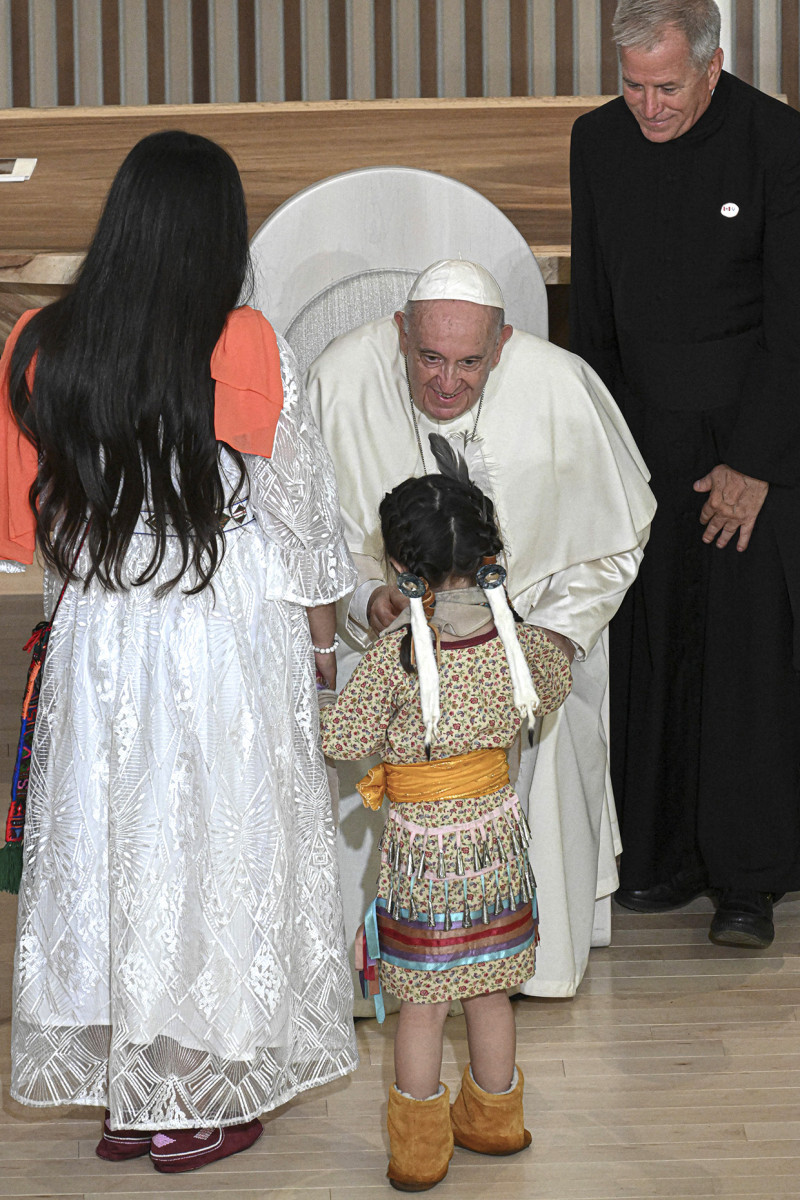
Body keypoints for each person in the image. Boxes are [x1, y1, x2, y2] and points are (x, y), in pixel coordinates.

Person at [0, 131, 357, 1172]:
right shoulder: (245, 342)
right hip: (225, 631)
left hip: (106, 629)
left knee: (117, 848)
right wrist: (324, 654)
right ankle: (191, 1097)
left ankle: (127, 1095)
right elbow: (302, 526)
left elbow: (30, 527)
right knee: (215, 855)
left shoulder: (37, 344)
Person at [307, 258, 656, 1001]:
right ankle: (362, 969)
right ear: (401, 334)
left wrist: (554, 639)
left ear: (502, 347)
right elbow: (317, 537)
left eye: (469, 363)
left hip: (527, 650)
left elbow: (615, 539)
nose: (447, 383)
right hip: (391, 657)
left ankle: (535, 964)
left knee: (552, 742)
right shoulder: (341, 382)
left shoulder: (559, 385)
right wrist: (366, 596)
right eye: (430, 358)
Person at [569, 0, 800, 948]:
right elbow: (593, 299)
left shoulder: (777, 141)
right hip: (642, 434)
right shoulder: (597, 141)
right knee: (652, 640)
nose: (648, 106)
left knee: (745, 657)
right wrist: (597, 444)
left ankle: (748, 880)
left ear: (712, 67)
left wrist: (754, 463)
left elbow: (794, 321)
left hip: (751, 434)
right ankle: (658, 857)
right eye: (633, 84)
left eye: (667, 86)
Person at [319, 467, 573, 1191]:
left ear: (401, 570)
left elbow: (343, 741)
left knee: (423, 1008)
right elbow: (551, 683)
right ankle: (496, 1122)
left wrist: (317, 702)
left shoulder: (396, 660)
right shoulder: (514, 643)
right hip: (495, 843)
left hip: (423, 860)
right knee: (489, 992)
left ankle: (419, 1150)